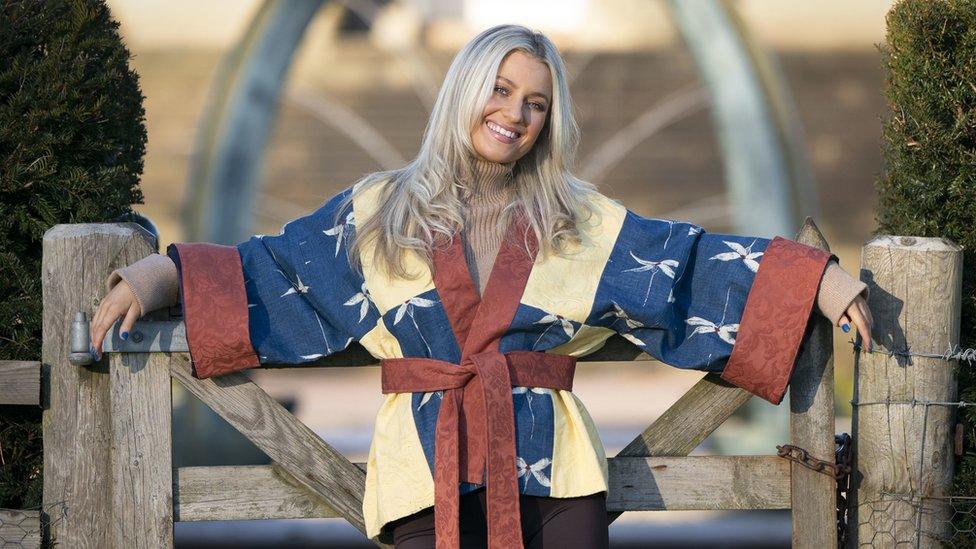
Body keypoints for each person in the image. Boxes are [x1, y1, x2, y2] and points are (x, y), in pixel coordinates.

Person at [89, 24, 873, 549]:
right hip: (423, 474)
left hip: (556, 479)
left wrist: (816, 281)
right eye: (500, 90)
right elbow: (271, 271)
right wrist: (158, 275)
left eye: (536, 102)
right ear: (465, 91)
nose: (515, 114)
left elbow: (686, 268)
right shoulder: (378, 210)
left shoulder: (577, 217)